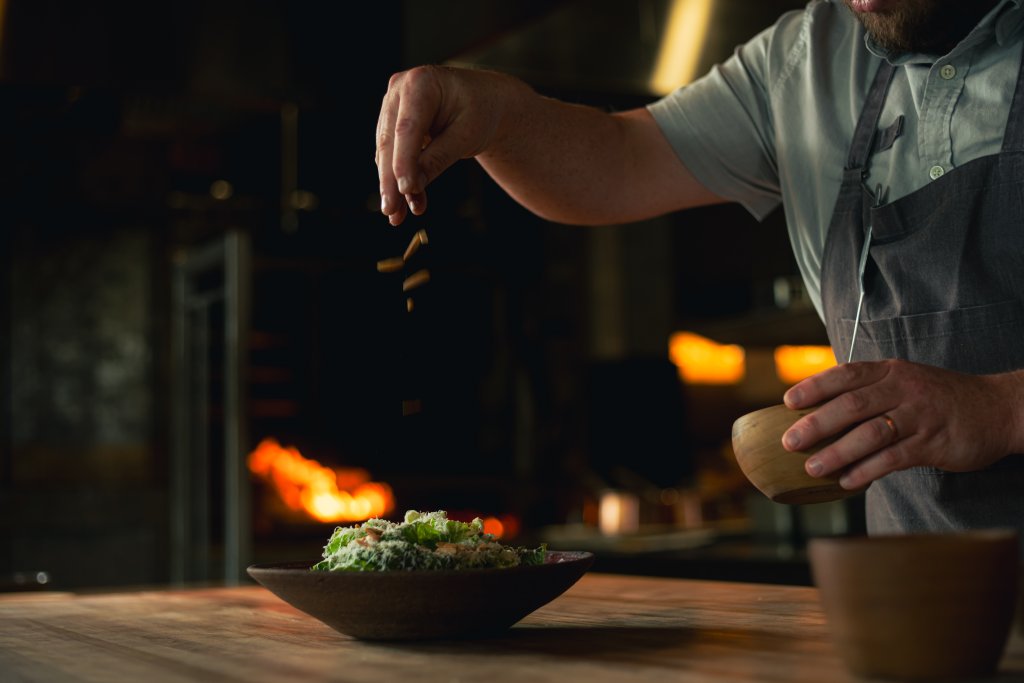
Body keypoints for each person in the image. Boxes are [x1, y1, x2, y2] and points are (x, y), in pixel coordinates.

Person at [374, 0, 1024, 539]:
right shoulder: (810, 56)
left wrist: (999, 408)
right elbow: (619, 159)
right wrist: (499, 116)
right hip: (922, 613)